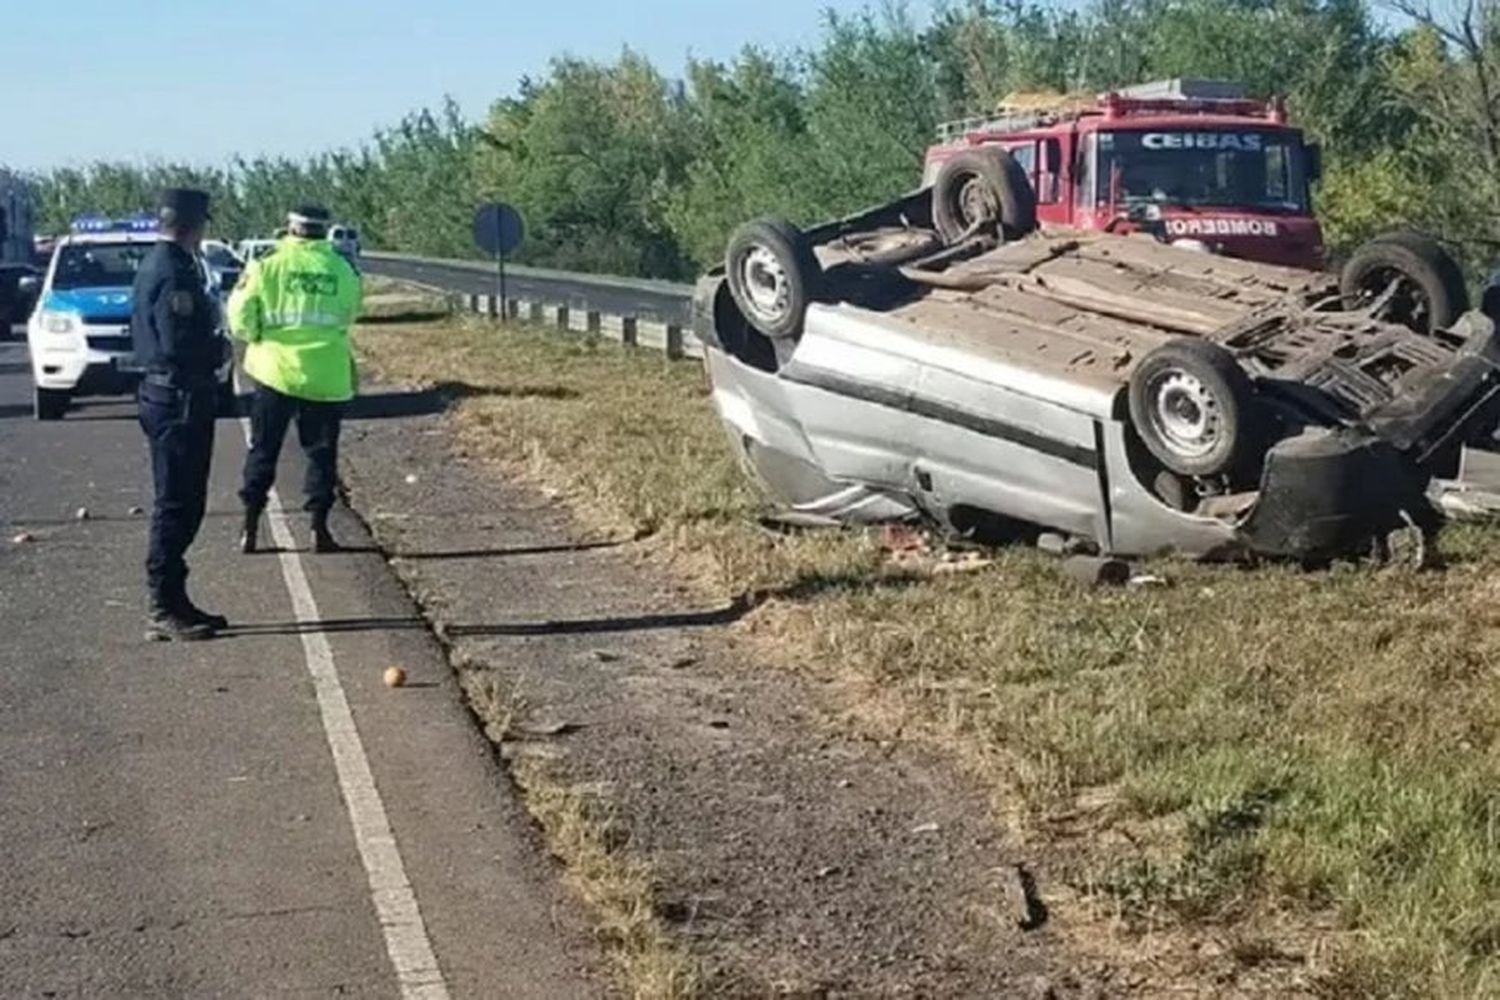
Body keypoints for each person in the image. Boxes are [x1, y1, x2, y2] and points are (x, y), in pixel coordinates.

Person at [229, 205, 363, 554]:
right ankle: (319, 528)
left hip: (275, 370)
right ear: (324, 231)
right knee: (321, 453)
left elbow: (240, 316)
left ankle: (250, 525)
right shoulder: (342, 269)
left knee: (264, 448)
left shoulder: (267, 264)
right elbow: (350, 313)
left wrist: (257, 336)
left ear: (290, 228)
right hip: (325, 374)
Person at [131, 188, 227, 641]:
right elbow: (175, 342)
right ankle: (162, 605)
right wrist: (214, 350)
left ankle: (175, 597)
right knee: (176, 503)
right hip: (177, 397)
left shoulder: (169, 263)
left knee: (187, 502)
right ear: (193, 225)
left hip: (176, 396)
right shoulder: (172, 271)